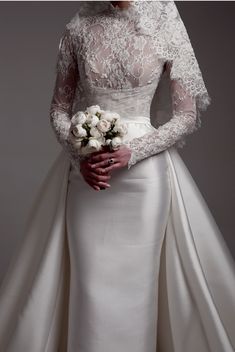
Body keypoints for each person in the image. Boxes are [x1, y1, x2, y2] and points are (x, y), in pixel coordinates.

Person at [0, 1, 235, 351]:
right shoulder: (78, 28)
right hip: (88, 173)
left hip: (145, 178)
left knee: (138, 285)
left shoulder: (165, 20)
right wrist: (79, 151)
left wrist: (134, 151)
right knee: (90, 283)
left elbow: (186, 114)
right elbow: (59, 109)